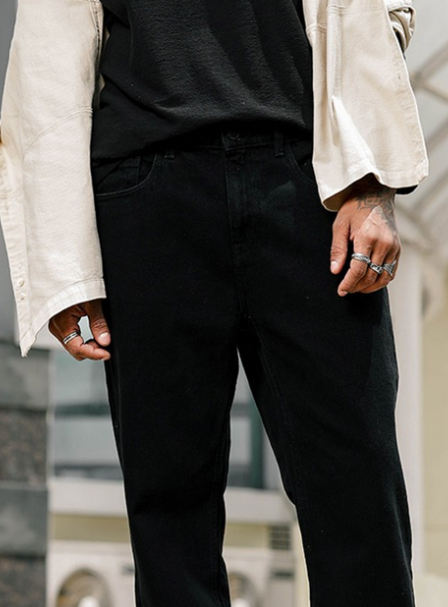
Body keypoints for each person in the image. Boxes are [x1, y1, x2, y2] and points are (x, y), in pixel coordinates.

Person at [0, 0, 428, 606]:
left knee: (360, 493)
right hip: (145, 190)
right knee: (170, 519)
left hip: (311, 182)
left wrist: (374, 181)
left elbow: (379, 9)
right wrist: (65, 267)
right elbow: (47, 51)